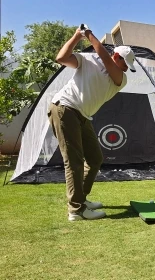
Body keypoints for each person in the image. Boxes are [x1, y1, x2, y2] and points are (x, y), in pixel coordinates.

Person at [48, 24, 136, 221]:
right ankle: (76, 210)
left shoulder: (120, 79)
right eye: (125, 64)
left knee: (95, 159)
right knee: (74, 162)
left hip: (82, 115)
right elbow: (61, 58)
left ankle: (81, 199)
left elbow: (105, 58)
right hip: (65, 108)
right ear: (118, 57)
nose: (126, 69)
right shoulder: (88, 60)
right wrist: (77, 37)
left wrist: (89, 34)